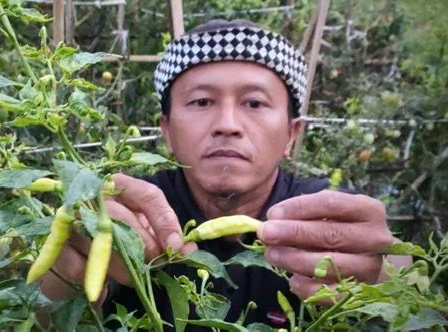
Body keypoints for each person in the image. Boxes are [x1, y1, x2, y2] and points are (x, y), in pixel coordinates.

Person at [40, 19, 410, 328]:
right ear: (166, 131)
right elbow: (42, 317)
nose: (227, 125)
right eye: (202, 102)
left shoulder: (323, 213)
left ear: (291, 134)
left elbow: (406, 285)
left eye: (254, 102)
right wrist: (61, 282)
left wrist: (385, 279)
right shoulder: (125, 216)